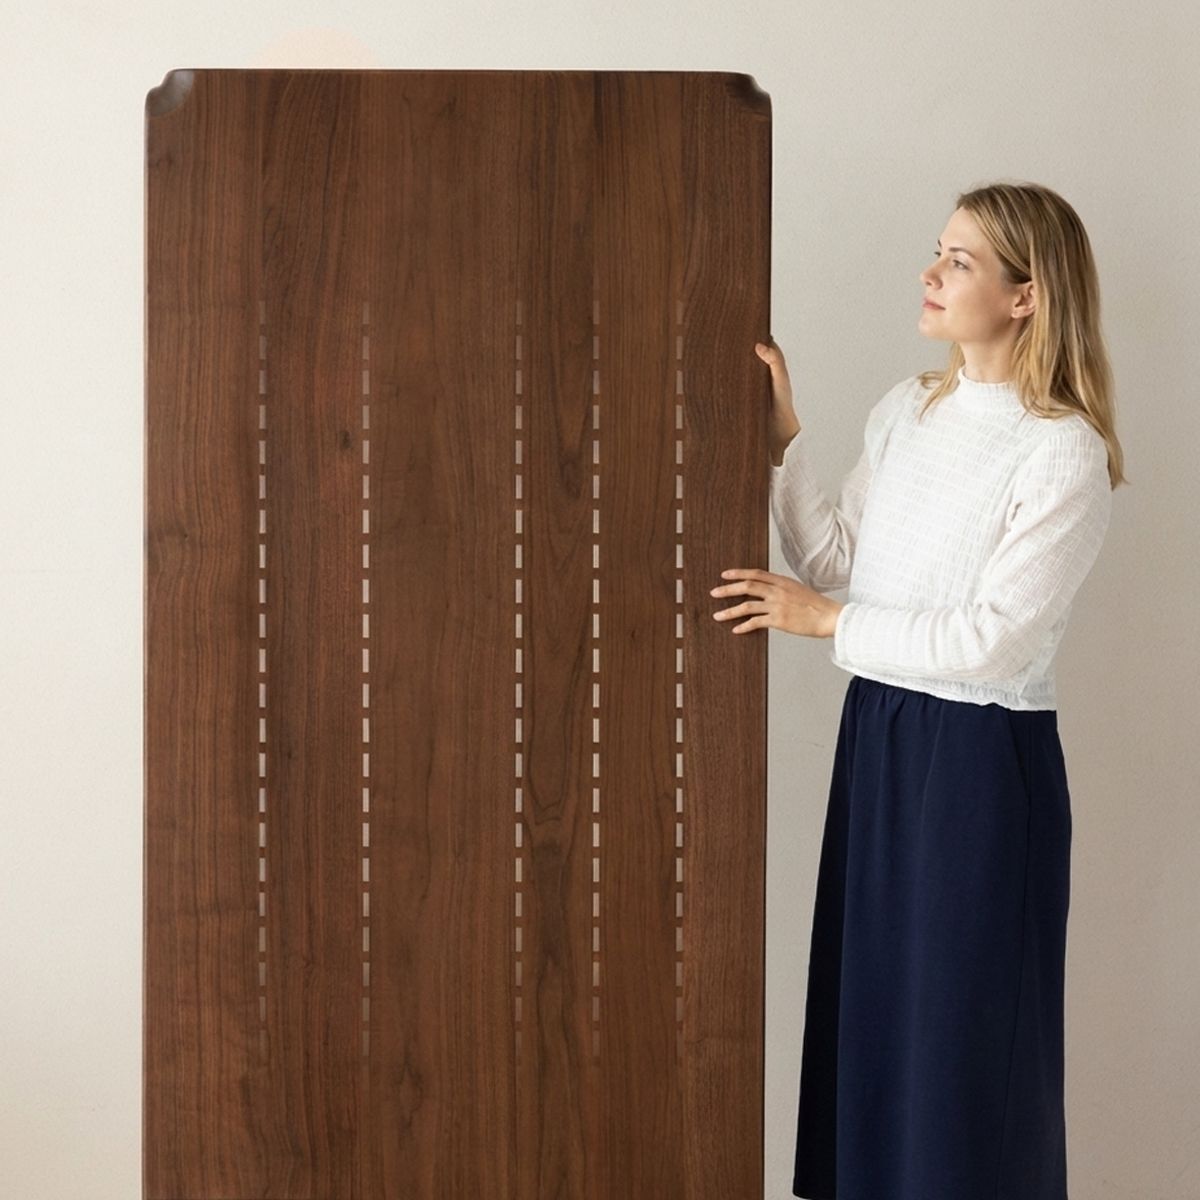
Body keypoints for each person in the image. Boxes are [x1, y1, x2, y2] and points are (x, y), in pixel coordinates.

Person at [709, 181, 1127, 1199]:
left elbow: (993, 643)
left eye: (961, 261)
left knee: (961, 1041)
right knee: (879, 1011)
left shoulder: (1061, 449)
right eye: (936, 253)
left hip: (982, 761)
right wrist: (783, 442)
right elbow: (840, 556)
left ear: (1026, 297)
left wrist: (826, 624)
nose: (930, 275)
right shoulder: (911, 407)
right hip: (885, 735)